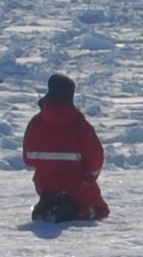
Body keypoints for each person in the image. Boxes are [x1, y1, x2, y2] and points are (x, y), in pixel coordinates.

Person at [21, 73, 108, 223]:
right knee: (100, 211)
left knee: (52, 193)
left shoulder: (35, 123)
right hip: (77, 185)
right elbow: (96, 161)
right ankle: (71, 210)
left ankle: (48, 204)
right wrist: (89, 178)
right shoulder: (80, 126)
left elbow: (28, 160)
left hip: (44, 184)